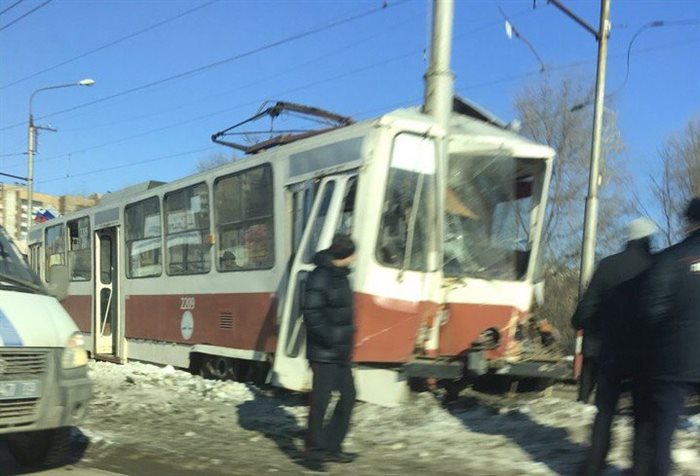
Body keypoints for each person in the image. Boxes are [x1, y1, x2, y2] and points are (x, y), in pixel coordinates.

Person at [572, 217, 657, 476]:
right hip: (646, 356)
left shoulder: (608, 265)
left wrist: (592, 326)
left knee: (605, 412)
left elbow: (584, 312)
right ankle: (640, 468)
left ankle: (594, 465)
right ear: (649, 238)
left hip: (610, 352)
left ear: (628, 238)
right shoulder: (657, 265)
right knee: (642, 415)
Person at [640, 197, 700, 476]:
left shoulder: (668, 259)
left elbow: (651, 310)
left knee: (662, 433)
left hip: (674, 360)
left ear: (689, 222)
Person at [302, 234, 357, 469]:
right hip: (323, 352)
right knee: (320, 403)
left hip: (340, 352)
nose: (355, 258)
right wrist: (333, 338)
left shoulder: (342, 276)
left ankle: (332, 446)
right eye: (353, 254)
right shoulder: (320, 276)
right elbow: (312, 315)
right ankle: (313, 454)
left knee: (349, 396)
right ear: (345, 255)